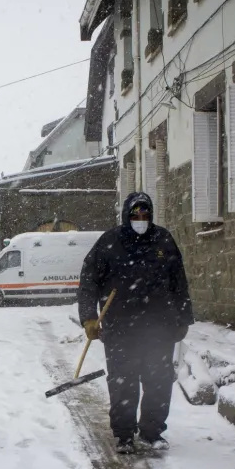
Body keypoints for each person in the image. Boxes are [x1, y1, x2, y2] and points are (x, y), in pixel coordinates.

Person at [78, 192, 194, 454]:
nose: (140, 220)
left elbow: (179, 283)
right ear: (126, 216)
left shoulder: (163, 240)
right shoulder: (110, 242)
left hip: (159, 329)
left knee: (158, 381)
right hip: (121, 329)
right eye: (135, 215)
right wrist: (88, 317)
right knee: (123, 382)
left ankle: (152, 432)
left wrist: (183, 318)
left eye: (145, 215)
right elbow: (88, 282)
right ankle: (124, 435)